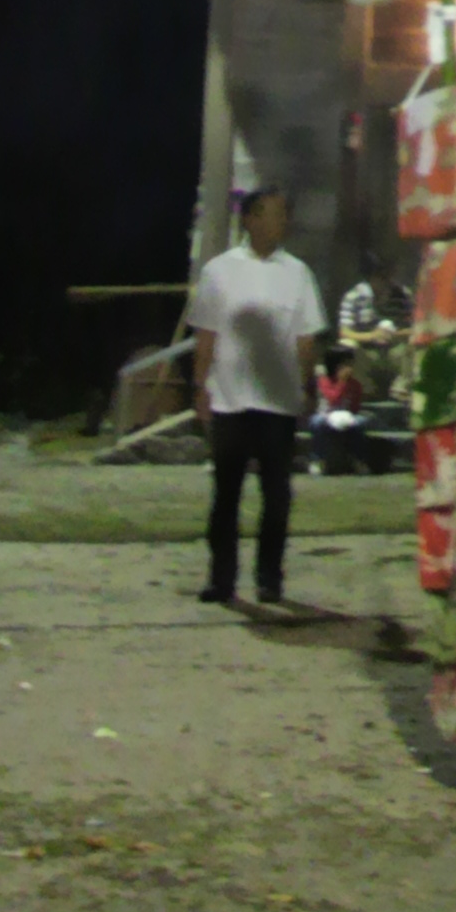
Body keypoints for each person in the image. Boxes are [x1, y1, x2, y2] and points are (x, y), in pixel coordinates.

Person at [190, 188, 325, 605]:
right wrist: (200, 388)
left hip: (277, 404)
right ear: (249, 219)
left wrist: (308, 388)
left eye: (285, 216)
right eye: (272, 214)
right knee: (226, 495)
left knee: (277, 497)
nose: (280, 223)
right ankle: (222, 579)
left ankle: (270, 578)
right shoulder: (219, 270)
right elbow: (206, 335)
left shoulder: (298, 273)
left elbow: (306, 339)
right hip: (230, 399)